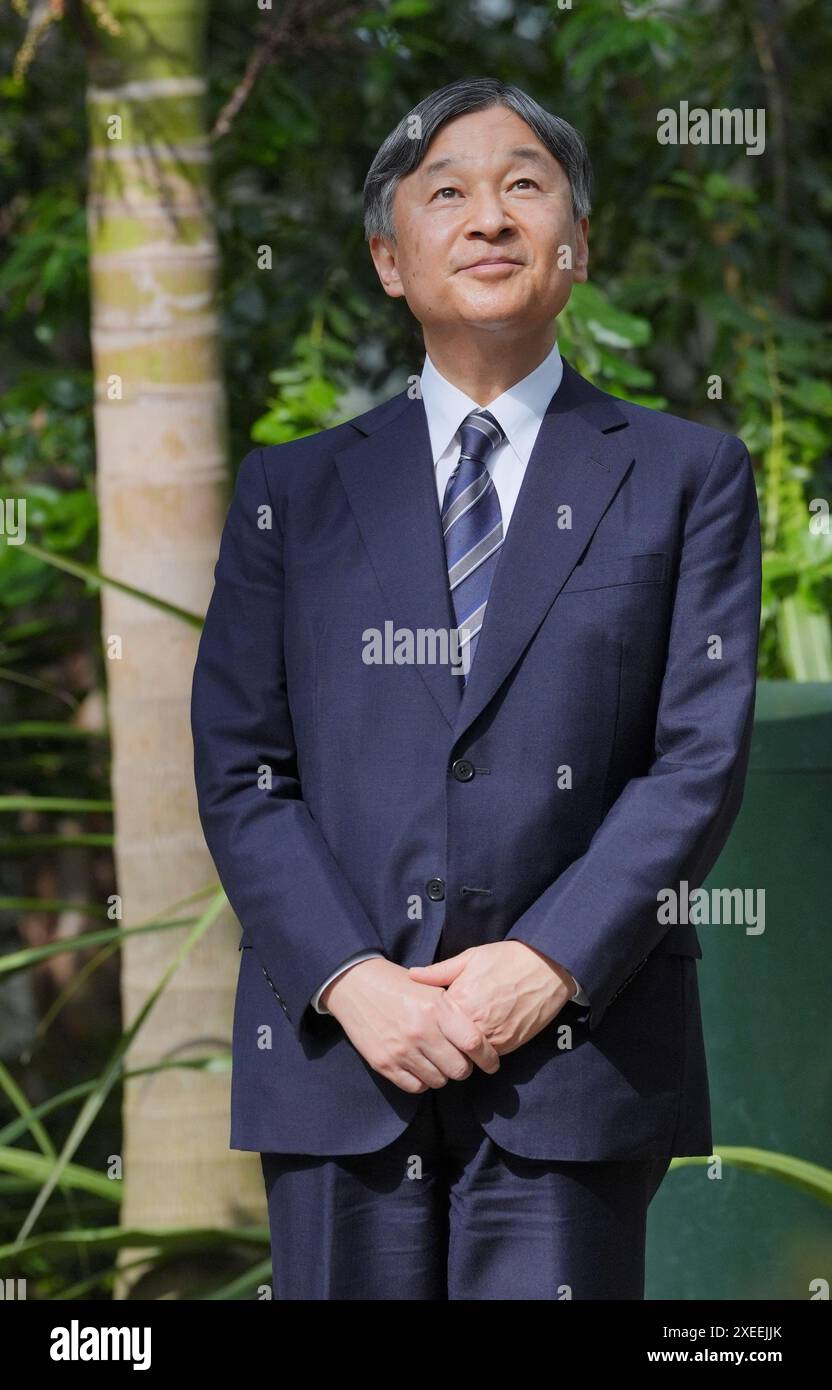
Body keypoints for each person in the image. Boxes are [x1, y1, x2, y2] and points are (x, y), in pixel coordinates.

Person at [189, 76, 762, 1300]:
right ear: (392, 261)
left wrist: (548, 962)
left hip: (577, 1059)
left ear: (577, 246)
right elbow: (243, 768)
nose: (488, 217)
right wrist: (352, 978)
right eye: (445, 192)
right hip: (344, 1062)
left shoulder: (686, 477)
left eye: (522, 186)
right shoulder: (290, 493)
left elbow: (695, 758)